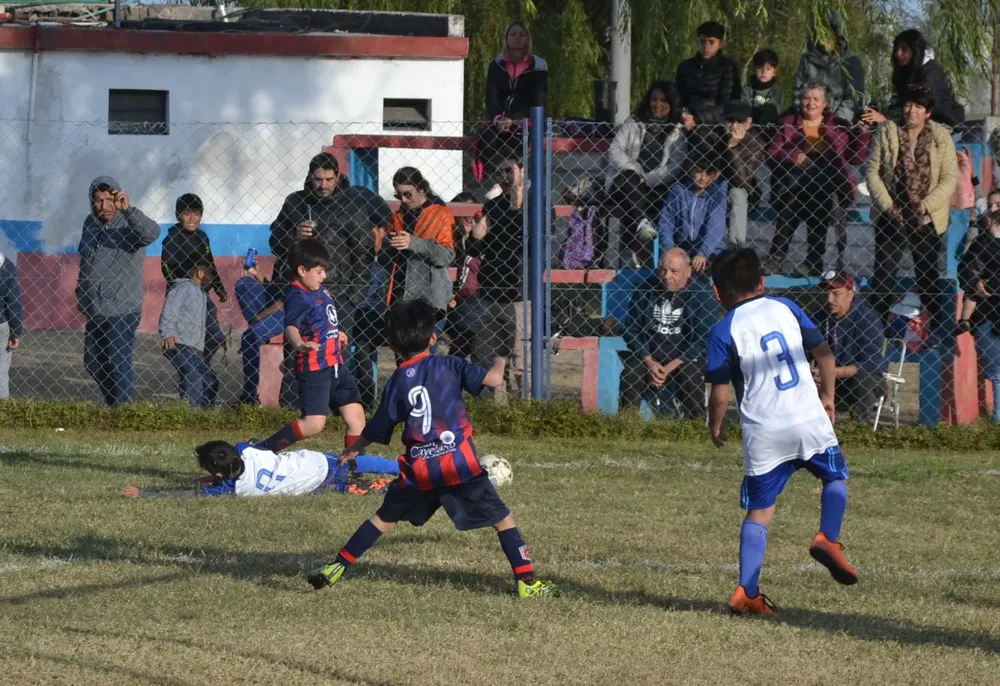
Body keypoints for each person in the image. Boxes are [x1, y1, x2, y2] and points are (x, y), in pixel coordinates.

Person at [305, 299, 559, 599]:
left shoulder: (398, 381)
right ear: (433, 338)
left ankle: (337, 566)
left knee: (383, 519)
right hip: (458, 466)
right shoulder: (450, 364)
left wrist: (356, 448)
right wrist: (501, 361)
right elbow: (492, 380)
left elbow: (377, 426)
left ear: (393, 345)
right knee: (503, 519)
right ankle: (527, 583)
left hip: (420, 471)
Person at [705, 248, 858, 616]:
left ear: (716, 293)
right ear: (762, 283)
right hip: (806, 418)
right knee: (835, 477)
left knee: (760, 513)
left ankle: (747, 592)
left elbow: (720, 390)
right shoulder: (787, 307)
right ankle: (828, 538)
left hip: (764, 432)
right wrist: (827, 396)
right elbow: (823, 352)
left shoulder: (722, 330)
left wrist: (715, 424)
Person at [354, 167, 455, 407]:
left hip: (428, 300)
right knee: (403, 356)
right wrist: (388, 244)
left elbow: (446, 255)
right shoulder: (397, 216)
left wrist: (415, 243)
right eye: (399, 195)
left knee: (422, 357)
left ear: (422, 189)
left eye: (408, 194)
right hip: (399, 296)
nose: (404, 200)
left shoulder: (440, 214)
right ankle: (406, 405)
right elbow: (388, 259)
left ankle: (430, 404)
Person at [256, 240, 365, 453]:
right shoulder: (297, 295)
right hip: (315, 368)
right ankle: (263, 450)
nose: (324, 276)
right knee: (314, 424)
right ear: (302, 270)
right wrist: (299, 344)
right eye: (319, 271)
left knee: (357, 418)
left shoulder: (319, 289)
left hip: (336, 364)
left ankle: (352, 471)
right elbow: (291, 327)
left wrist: (336, 333)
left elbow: (322, 319)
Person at [867, 86, 958, 331]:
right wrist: (888, 206)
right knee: (883, 279)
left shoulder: (941, 136)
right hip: (892, 215)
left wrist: (925, 206)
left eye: (918, 106)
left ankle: (936, 333)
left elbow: (950, 177)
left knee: (928, 277)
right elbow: (873, 173)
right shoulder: (887, 131)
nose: (911, 111)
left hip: (925, 218)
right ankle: (875, 334)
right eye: (908, 105)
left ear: (927, 112)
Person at [766, 83, 869, 276]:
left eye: (816, 99)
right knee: (792, 201)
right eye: (807, 98)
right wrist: (794, 155)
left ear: (825, 104)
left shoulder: (838, 125)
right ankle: (776, 257)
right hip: (794, 181)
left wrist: (863, 135)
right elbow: (772, 153)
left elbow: (855, 158)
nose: (810, 103)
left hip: (827, 182)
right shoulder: (788, 122)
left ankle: (813, 261)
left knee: (819, 199)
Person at [268, 152, 391, 315]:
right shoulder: (295, 202)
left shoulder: (352, 207)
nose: (323, 185)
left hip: (338, 295)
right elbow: (274, 242)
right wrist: (293, 236)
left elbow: (363, 253)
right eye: (318, 179)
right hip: (296, 291)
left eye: (329, 179)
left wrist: (353, 298)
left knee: (336, 340)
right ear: (310, 177)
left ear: (337, 177)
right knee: (298, 340)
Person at [76, 175, 160, 407]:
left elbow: (152, 233)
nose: (104, 206)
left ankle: (123, 410)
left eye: (109, 199)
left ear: (118, 197)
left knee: (118, 361)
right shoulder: (90, 223)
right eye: (98, 200)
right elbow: (86, 261)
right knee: (93, 362)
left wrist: (129, 211)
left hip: (122, 309)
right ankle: (116, 404)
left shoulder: (129, 222)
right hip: (95, 308)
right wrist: (81, 292)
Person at [122, 440, 400, 498]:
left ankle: (388, 485)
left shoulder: (233, 488)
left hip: (314, 486)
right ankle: (399, 466)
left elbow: (187, 495)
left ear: (218, 474)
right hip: (314, 462)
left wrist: (147, 494)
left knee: (352, 488)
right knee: (349, 462)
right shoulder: (245, 449)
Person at [606, 80, 687, 266]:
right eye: (654, 99)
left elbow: (676, 165)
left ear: (672, 103)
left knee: (634, 199)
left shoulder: (677, 130)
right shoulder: (634, 121)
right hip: (626, 181)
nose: (658, 104)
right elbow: (615, 150)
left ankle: (632, 254)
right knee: (630, 183)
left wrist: (648, 179)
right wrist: (636, 172)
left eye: (664, 100)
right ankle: (641, 223)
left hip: (656, 187)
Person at [621, 248, 707, 417]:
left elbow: (704, 337)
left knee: (690, 375)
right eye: (662, 270)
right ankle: (626, 422)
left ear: (688, 271)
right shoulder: (645, 289)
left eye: (674, 271)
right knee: (631, 372)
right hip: (651, 357)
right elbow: (631, 329)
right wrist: (649, 361)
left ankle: (695, 427)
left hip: (684, 358)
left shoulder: (701, 294)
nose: (666, 276)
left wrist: (670, 366)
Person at [477, 154, 531, 396]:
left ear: (523, 170)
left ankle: (528, 410)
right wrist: (473, 234)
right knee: (496, 358)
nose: (503, 177)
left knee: (521, 360)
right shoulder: (491, 206)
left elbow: (529, 241)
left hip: (520, 290)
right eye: (498, 173)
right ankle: (498, 412)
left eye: (509, 170)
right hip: (491, 287)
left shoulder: (537, 203)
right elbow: (479, 246)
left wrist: (516, 202)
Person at [813, 270, 888, 422]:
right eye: (826, 293)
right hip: (828, 379)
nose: (829, 299)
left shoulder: (868, 319)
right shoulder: (818, 317)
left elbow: (872, 362)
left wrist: (834, 372)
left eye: (836, 293)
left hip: (862, 380)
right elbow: (802, 352)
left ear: (850, 294)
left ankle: (860, 428)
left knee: (863, 379)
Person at [161, 193, 227, 362]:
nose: (192, 218)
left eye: (196, 214)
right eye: (187, 213)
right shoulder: (172, 239)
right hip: (183, 296)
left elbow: (210, 263)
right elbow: (166, 266)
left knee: (215, 335)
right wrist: (180, 284)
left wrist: (218, 287)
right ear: (178, 215)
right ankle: (191, 368)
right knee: (186, 338)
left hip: (203, 295)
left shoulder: (202, 238)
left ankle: (202, 363)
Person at [861, 29, 964, 130]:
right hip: (918, 125)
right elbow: (901, 103)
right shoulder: (907, 71)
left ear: (915, 51)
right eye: (896, 49)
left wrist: (886, 121)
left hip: (945, 126)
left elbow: (919, 108)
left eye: (904, 49)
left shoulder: (931, 73)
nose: (898, 54)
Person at [481, 19, 548, 170]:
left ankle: (513, 178)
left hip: (525, 121)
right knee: (485, 138)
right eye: (513, 34)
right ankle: (499, 178)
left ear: (527, 39)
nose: (517, 37)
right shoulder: (496, 64)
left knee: (517, 142)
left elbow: (539, 99)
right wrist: (498, 118)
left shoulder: (538, 65)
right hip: (499, 121)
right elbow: (491, 96)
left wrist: (515, 120)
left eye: (521, 34)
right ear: (506, 38)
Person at [956, 211, 1000, 423]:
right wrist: (975, 281)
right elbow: (966, 270)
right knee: (995, 371)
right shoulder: (981, 245)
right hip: (988, 314)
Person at [658, 144, 728, 272]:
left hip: (710, 249)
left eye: (709, 173)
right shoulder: (678, 191)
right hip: (681, 247)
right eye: (699, 171)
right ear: (691, 170)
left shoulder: (718, 194)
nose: (703, 177)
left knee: (706, 269)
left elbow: (715, 227)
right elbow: (666, 223)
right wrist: (670, 250)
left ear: (716, 175)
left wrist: (703, 253)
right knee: (673, 267)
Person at [159, 261, 218, 408]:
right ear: (199, 273)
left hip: (195, 348)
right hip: (178, 343)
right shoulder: (183, 288)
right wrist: (167, 333)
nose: (212, 278)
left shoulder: (203, 295)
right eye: (210, 274)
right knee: (193, 377)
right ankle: (192, 412)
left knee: (210, 379)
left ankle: (205, 411)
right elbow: (169, 311)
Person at [791, 10, 866, 123]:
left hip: (840, 125)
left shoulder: (851, 61)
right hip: (808, 120)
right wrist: (805, 118)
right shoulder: (806, 60)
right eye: (821, 35)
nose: (825, 39)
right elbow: (798, 92)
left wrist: (834, 123)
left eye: (829, 35)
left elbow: (854, 100)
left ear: (838, 36)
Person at [235, 255, 285, 405]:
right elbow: (275, 291)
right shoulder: (283, 259)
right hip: (277, 307)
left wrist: (259, 318)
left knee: (250, 336)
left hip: (294, 313)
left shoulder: (302, 257)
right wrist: (257, 274)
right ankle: (258, 332)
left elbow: (286, 300)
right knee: (244, 283)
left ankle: (251, 395)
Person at [674, 21, 740, 128]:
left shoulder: (728, 67)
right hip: (685, 119)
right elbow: (676, 97)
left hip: (714, 124)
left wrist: (697, 118)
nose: (706, 46)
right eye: (702, 41)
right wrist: (683, 115)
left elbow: (727, 104)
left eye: (711, 42)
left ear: (721, 44)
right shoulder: (685, 66)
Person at [445, 192, 486, 360]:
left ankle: (455, 361)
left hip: (473, 300)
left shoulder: (483, 239)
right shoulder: (448, 238)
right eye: (464, 212)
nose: (469, 217)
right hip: (450, 299)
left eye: (474, 213)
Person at [722, 100, 765, 247]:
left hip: (742, 189)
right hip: (713, 185)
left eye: (739, 121)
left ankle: (736, 248)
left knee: (737, 194)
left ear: (748, 123)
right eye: (729, 120)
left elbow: (743, 180)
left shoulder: (756, 143)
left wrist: (733, 149)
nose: (734, 126)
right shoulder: (713, 135)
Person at [0, 249, 22, 400]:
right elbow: (13, 302)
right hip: (1, 324)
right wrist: (15, 331)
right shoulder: (6, 266)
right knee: (0, 371)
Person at [742, 49, 783, 129]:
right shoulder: (748, 88)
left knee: (769, 108)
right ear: (754, 69)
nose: (764, 72)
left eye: (768, 69)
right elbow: (744, 106)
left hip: (767, 129)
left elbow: (773, 111)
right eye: (760, 68)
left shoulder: (776, 91)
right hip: (748, 126)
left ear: (774, 72)